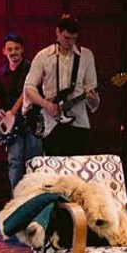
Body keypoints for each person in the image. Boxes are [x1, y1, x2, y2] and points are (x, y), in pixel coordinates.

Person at [24, 14, 99, 156]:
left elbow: (92, 95)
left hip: (78, 123)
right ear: (57, 32)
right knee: (54, 167)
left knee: (75, 167)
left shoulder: (86, 56)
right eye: (66, 38)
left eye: (74, 39)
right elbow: (29, 87)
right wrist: (47, 105)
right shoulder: (43, 56)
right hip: (52, 124)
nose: (70, 43)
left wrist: (93, 98)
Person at [0, 31, 43, 192]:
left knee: (34, 162)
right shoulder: (1, 73)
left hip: (32, 122)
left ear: (22, 49)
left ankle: (34, 197)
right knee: (14, 162)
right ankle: (17, 199)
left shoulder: (32, 69)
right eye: (10, 49)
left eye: (16, 48)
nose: (13, 52)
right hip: (12, 126)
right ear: (4, 51)